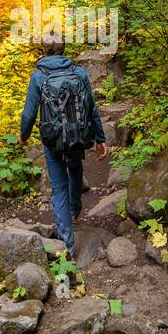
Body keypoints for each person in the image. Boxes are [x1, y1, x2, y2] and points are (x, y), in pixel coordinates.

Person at [19, 32, 107, 257]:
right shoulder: (79, 72)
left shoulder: (38, 77)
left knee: (58, 189)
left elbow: (29, 113)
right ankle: (75, 210)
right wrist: (100, 139)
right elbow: (91, 107)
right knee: (76, 169)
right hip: (78, 135)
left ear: (44, 51)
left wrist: (24, 135)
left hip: (53, 139)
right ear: (64, 49)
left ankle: (66, 246)